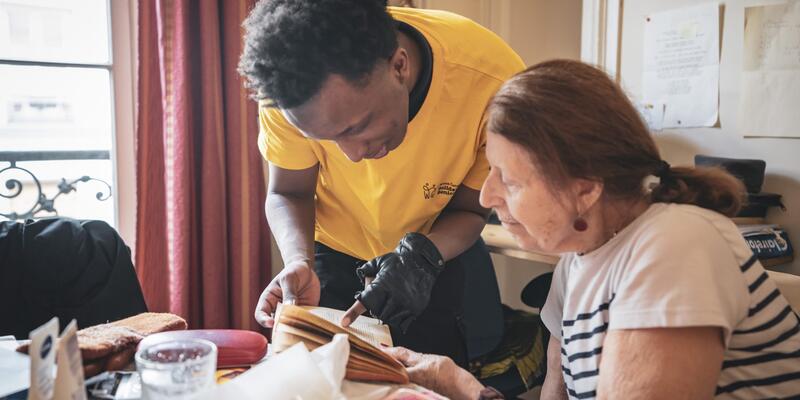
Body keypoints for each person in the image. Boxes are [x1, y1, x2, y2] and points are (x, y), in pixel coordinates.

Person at [384, 59, 800, 399]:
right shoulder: (577, 261)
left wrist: (465, 390)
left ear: (585, 189)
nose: (487, 196)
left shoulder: (675, 244)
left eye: (509, 180)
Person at [237, 0, 525, 366]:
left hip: (432, 255)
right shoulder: (288, 89)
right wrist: (297, 260)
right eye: (327, 140)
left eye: (356, 128)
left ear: (399, 66)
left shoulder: (494, 84)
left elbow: (470, 210)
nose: (352, 156)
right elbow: (289, 191)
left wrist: (422, 259)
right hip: (331, 254)